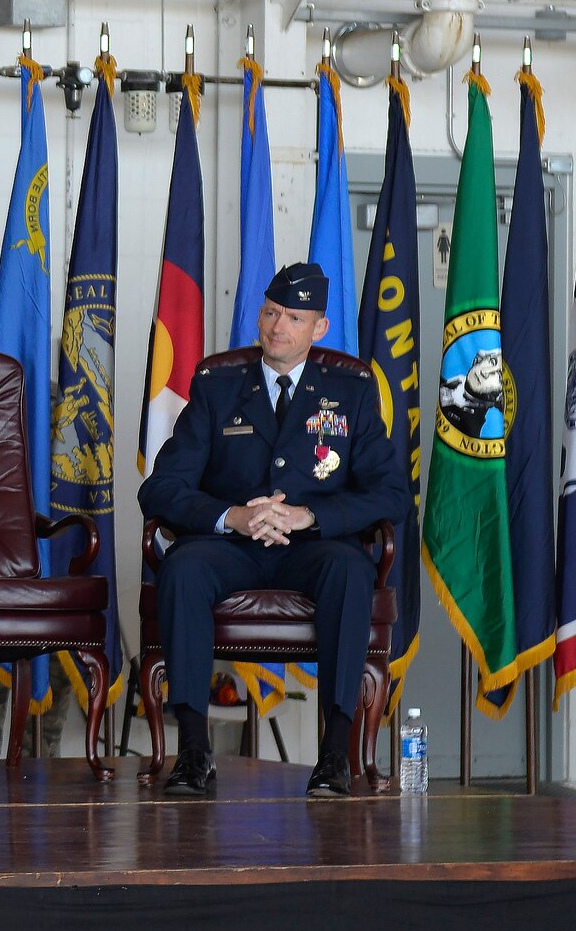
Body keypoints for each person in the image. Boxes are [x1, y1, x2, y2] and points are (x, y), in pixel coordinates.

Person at [139, 262, 409, 799]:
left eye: (293, 317)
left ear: (319, 329)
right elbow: (161, 488)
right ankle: (193, 752)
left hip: (313, 547)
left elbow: (391, 493)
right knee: (183, 568)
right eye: (269, 312)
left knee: (350, 570)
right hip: (229, 546)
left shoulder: (351, 391)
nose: (276, 326)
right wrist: (232, 515)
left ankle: (335, 755)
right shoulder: (216, 387)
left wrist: (311, 516)